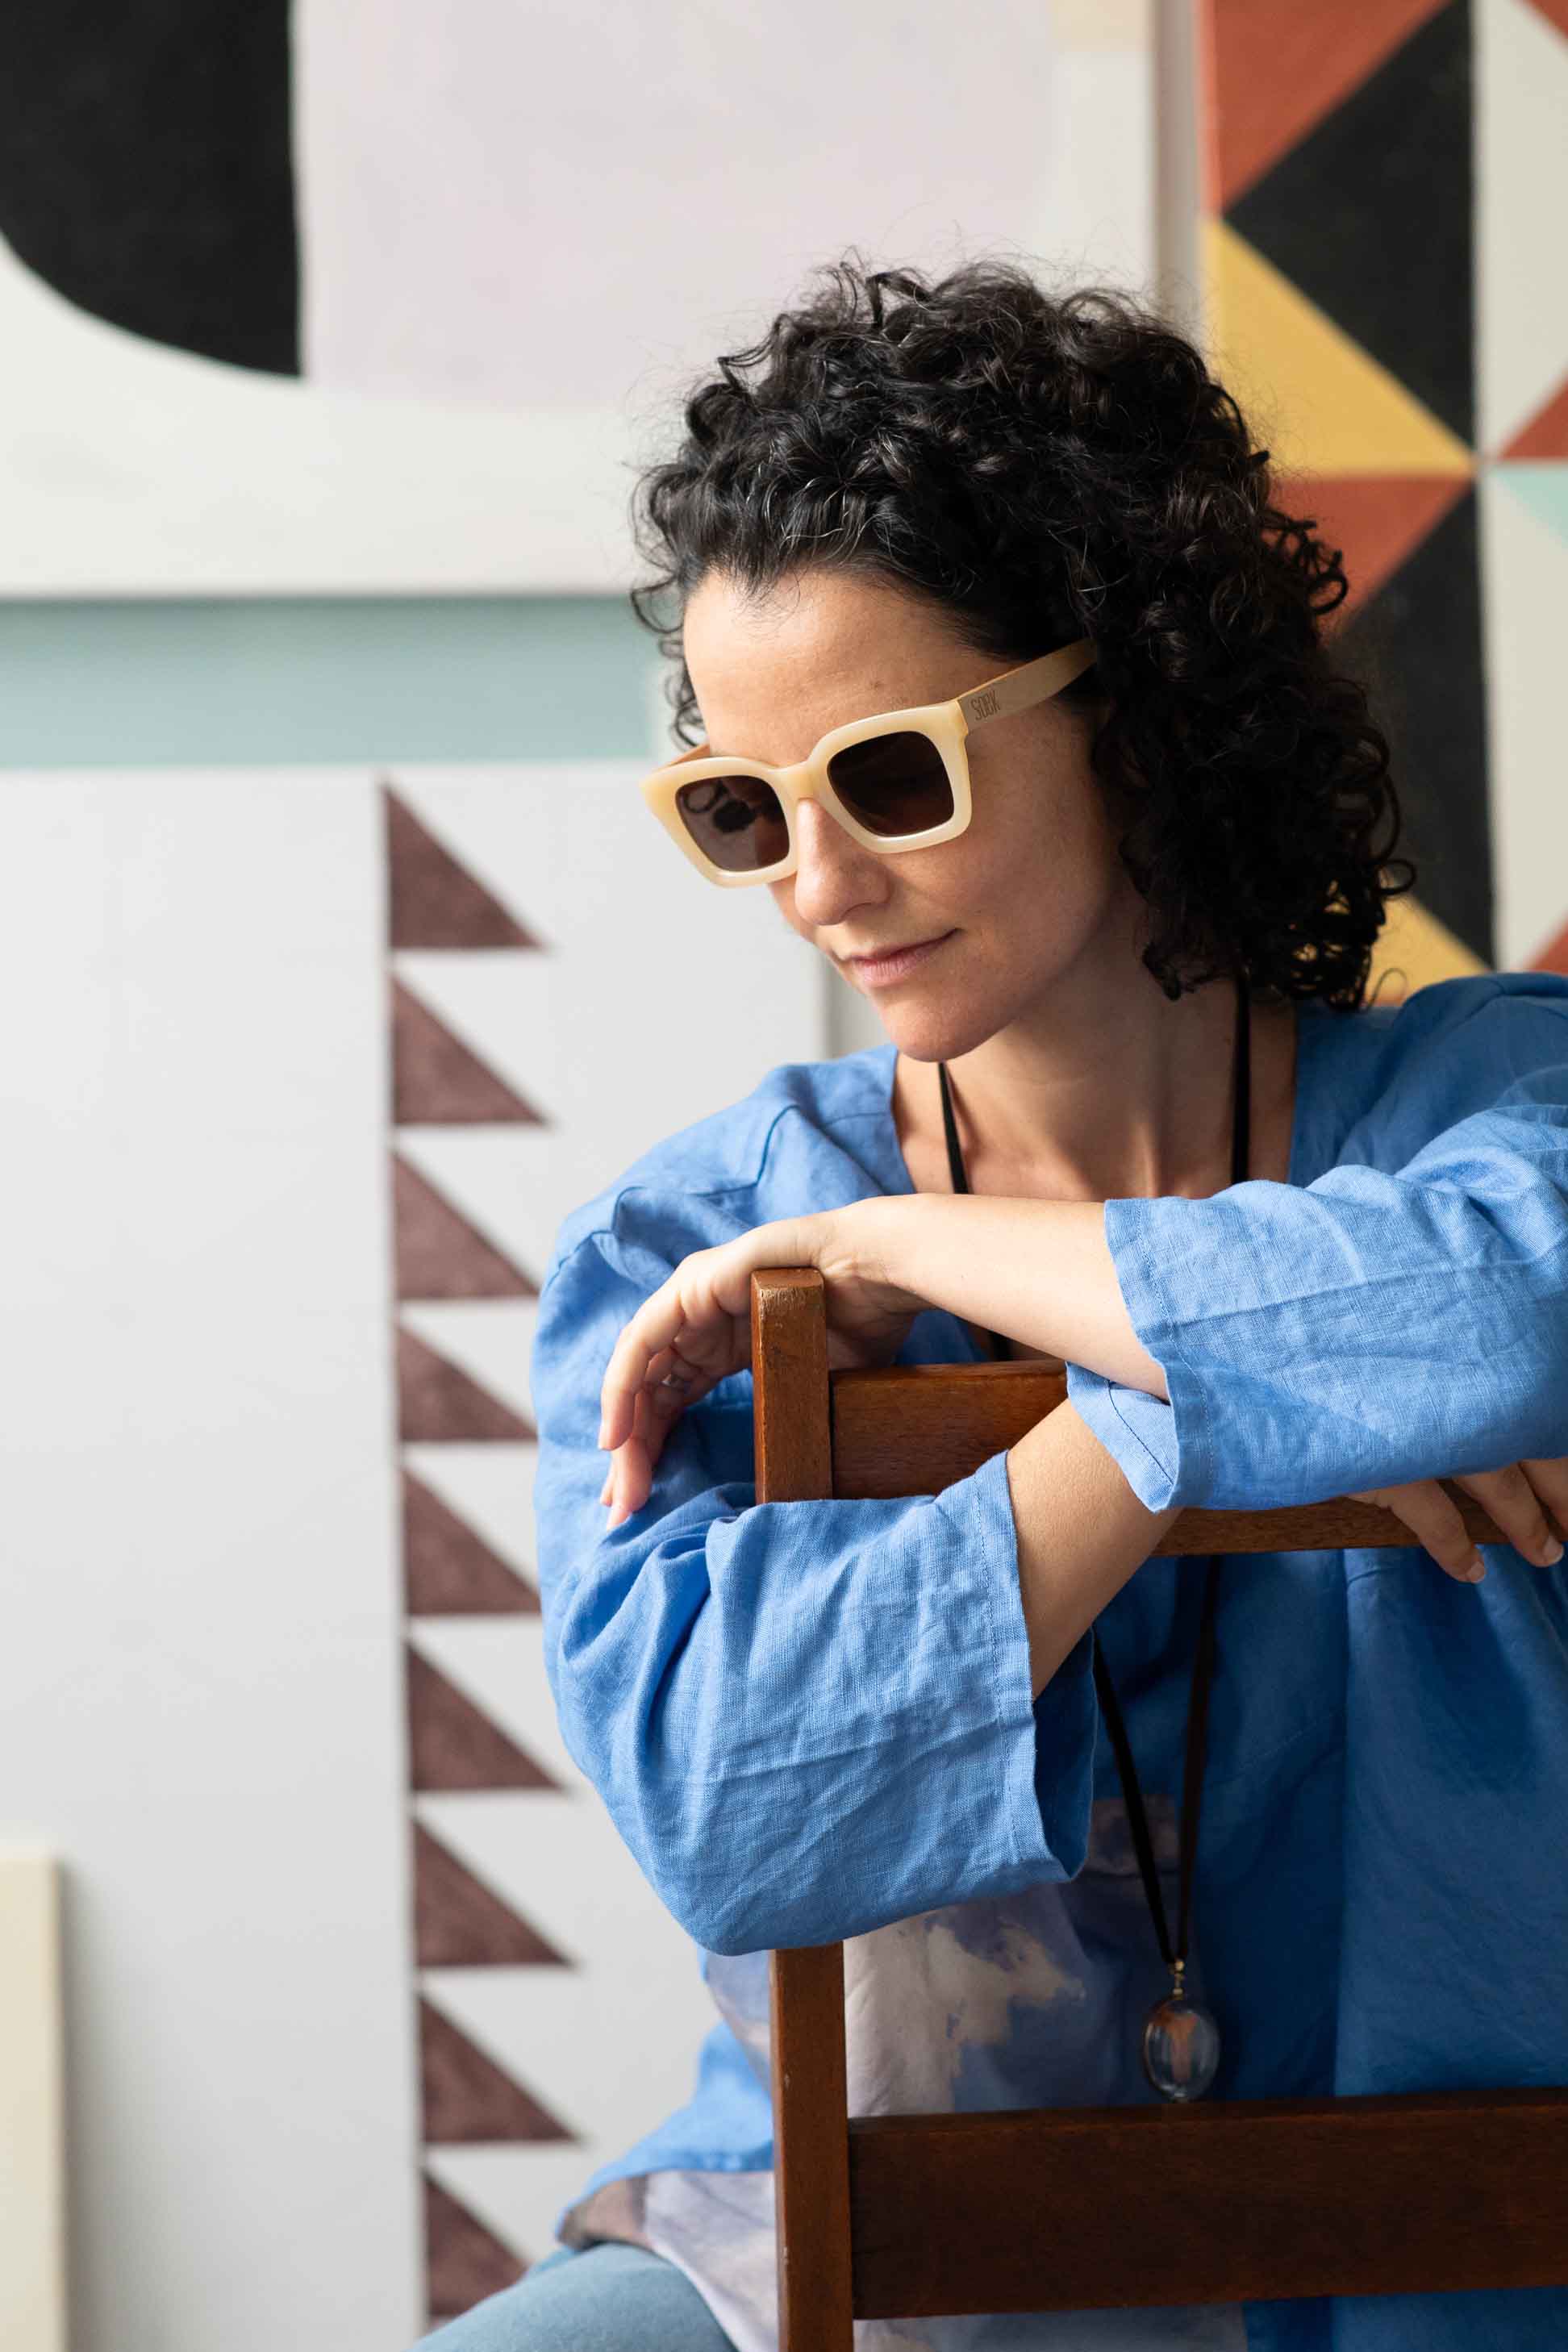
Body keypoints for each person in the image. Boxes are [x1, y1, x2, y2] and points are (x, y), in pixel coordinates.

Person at [411, 256, 1568, 2352]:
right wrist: (1185, 1414)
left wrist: (913, 1258)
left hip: (1460, 2240)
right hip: (854, 2254)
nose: (818, 884)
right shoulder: (692, 1246)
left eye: (892, 773)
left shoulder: (1494, 1102)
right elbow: (738, 1814)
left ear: (1132, 701)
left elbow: (1503, 1326)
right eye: (743, 810)